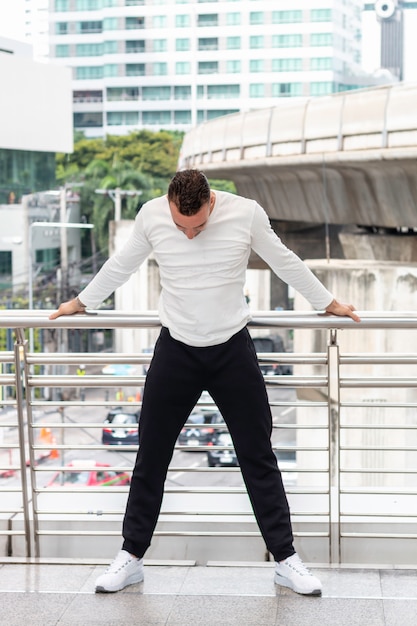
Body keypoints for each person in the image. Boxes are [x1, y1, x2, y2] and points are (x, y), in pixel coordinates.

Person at [49, 169, 360, 596]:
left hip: (231, 348)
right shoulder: (151, 215)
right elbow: (121, 265)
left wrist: (329, 303)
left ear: (211, 202)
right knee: (151, 457)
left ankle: (286, 560)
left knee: (258, 456)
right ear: (170, 204)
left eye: (197, 227)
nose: (189, 235)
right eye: (181, 227)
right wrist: (80, 302)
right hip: (176, 349)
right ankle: (131, 557)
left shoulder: (246, 214)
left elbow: (284, 260)